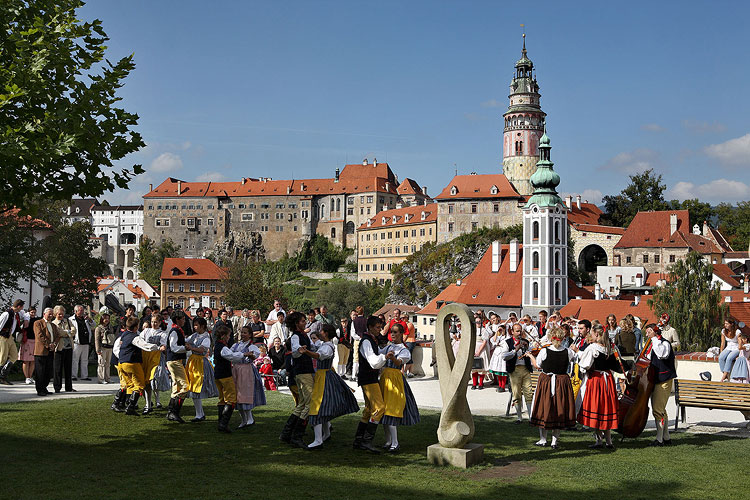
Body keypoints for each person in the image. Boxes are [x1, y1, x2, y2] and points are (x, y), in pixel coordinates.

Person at [304, 324, 359, 450]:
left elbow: (319, 356)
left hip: (324, 377)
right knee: (322, 406)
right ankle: (326, 434)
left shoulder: (327, 347)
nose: (320, 332)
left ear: (326, 333)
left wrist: (306, 352)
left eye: (322, 331)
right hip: (324, 376)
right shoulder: (325, 345)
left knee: (316, 407)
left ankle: (318, 440)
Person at [527, 327, 576, 449]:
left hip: (547, 381)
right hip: (562, 381)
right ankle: (554, 441)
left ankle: (543, 439)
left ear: (550, 337)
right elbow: (574, 358)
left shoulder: (544, 351)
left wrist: (530, 356)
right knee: (558, 408)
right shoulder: (568, 351)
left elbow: (538, 365)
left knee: (544, 408)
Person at [575, 324, 622, 449]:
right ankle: (608, 441)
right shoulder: (611, 347)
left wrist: (585, 371)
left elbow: (584, 365)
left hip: (596, 380)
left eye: (592, 334)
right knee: (605, 408)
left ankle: (599, 441)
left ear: (596, 334)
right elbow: (618, 363)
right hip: (608, 379)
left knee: (596, 408)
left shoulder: (592, 348)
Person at [379, 323, 420, 453]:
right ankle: (388, 440)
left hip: (395, 379)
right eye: (392, 331)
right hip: (385, 378)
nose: (393, 334)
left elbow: (400, 362)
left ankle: (395, 442)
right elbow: (378, 354)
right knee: (384, 410)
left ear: (401, 334)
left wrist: (393, 358)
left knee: (391, 410)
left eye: (395, 332)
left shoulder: (404, 350)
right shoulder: (388, 347)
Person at [113, 316, 166, 415]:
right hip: (131, 363)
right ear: (136, 327)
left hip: (121, 363)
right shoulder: (135, 337)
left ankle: (117, 403)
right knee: (140, 384)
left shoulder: (124, 335)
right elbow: (145, 346)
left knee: (128, 384)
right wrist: (158, 347)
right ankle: (131, 407)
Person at [279, 311, 315, 448]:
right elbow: (295, 351)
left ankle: (287, 433)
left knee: (302, 404)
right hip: (302, 371)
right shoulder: (295, 337)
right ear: (296, 324)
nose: (305, 322)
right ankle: (297, 435)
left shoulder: (304, 335)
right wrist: (299, 350)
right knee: (310, 402)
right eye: (302, 321)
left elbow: (313, 347)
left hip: (305, 370)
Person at [353, 316, 388, 453]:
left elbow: (376, 354)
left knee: (368, 410)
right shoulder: (367, 341)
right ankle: (366, 441)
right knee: (379, 408)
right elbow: (374, 361)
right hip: (369, 379)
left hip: (368, 378)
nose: (380, 330)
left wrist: (385, 353)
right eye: (378, 327)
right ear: (370, 327)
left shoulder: (371, 340)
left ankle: (359, 440)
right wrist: (385, 357)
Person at [644, 322, 677, 446]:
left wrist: (654, 339)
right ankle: (666, 437)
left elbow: (661, 354)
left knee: (658, 409)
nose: (647, 334)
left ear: (655, 331)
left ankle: (659, 439)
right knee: (661, 409)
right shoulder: (652, 343)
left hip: (664, 378)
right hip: (655, 378)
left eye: (649, 331)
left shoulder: (664, 343)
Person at [230, 325, 266, 429]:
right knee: (237, 394)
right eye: (242, 332)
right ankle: (244, 419)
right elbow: (231, 356)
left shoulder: (252, 346)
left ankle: (249, 418)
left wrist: (250, 355)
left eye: (245, 332)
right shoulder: (236, 345)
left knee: (245, 394)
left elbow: (254, 356)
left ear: (250, 335)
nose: (243, 334)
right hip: (236, 370)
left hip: (246, 371)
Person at [213, 324, 246, 433]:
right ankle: (224, 423)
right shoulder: (222, 347)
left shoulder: (217, 345)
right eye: (227, 335)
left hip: (218, 374)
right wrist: (244, 354)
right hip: (225, 375)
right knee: (231, 398)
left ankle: (220, 423)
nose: (229, 338)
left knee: (222, 399)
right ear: (223, 336)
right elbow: (231, 356)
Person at [186, 317, 218, 422]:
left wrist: (191, 348)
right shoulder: (194, 335)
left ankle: (199, 414)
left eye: (196, 325)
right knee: (194, 387)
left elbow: (203, 349)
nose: (195, 327)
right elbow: (186, 340)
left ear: (202, 326)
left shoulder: (206, 337)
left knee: (197, 387)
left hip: (200, 363)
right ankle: (199, 413)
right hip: (193, 362)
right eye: (194, 325)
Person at [503, 323, 534, 423]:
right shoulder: (507, 342)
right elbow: (504, 356)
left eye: (520, 330)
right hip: (514, 370)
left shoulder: (526, 341)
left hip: (525, 369)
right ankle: (519, 417)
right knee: (516, 394)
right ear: (512, 332)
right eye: (517, 331)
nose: (519, 333)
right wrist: (515, 349)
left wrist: (529, 349)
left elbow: (530, 353)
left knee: (528, 392)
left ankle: (531, 418)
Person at [165, 310, 190, 423]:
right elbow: (173, 347)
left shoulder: (177, 330)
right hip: (174, 360)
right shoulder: (175, 331)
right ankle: (175, 412)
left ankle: (171, 412)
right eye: (183, 319)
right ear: (177, 320)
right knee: (185, 386)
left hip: (175, 360)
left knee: (176, 386)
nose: (184, 320)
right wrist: (186, 348)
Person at [139, 315, 167, 414]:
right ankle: (147, 404)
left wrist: (162, 347)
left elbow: (163, 346)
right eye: (152, 322)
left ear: (160, 323)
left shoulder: (163, 334)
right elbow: (140, 340)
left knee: (154, 379)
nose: (153, 324)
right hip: (146, 358)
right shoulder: (146, 331)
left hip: (156, 358)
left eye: (155, 322)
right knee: (147, 381)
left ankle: (157, 400)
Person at [0, 299, 25, 384]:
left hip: (10, 337)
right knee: (2, 357)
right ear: (18, 307)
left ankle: (3, 375)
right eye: (21, 307)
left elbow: (25, 316)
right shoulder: (7, 314)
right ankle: (2, 377)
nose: (22, 309)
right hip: (3, 336)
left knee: (14, 356)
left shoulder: (16, 314)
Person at [32, 307, 57, 396]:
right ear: (44, 314)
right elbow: (39, 335)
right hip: (41, 351)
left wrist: (54, 344)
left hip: (50, 351)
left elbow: (57, 336)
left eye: (52, 314)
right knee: (40, 371)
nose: (50, 316)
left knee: (48, 371)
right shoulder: (38, 323)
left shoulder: (53, 325)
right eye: (49, 314)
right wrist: (48, 345)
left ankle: (44, 387)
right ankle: (40, 389)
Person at [51, 305, 75, 393]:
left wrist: (66, 333)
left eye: (62, 314)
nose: (61, 316)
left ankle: (69, 387)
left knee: (68, 368)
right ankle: (57, 387)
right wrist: (67, 332)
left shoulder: (68, 321)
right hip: (59, 348)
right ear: (55, 314)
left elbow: (73, 331)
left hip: (69, 347)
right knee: (58, 369)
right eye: (59, 314)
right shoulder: (54, 323)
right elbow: (58, 332)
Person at [488, 312, 509, 392]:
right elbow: (493, 340)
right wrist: (497, 333)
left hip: (503, 354)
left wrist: (503, 331)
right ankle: (500, 385)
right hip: (497, 354)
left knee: (503, 371)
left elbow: (507, 344)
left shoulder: (507, 337)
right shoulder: (498, 336)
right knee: (498, 372)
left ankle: (503, 386)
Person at [94, 312, 117, 384]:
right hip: (102, 348)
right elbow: (97, 339)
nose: (106, 320)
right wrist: (98, 349)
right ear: (102, 319)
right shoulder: (98, 328)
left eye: (108, 318)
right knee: (101, 363)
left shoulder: (110, 327)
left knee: (108, 364)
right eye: (105, 318)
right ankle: (101, 379)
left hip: (109, 347)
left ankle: (108, 378)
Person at [18, 306, 37, 384]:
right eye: (31, 312)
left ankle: (30, 376)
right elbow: (25, 327)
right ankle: (27, 377)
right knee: (26, 360)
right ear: (29, 312)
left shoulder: (37, 320)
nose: (33, 314)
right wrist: (26, 319)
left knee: (32, 361)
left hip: (34, 341)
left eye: (34, 312)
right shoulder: (26, 320)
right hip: (27, 340)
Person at [472, 313, 491, 390]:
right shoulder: (473, 330)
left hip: (481, 348)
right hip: (474, 347)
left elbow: (484, 342)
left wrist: (479, 351)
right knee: (473, 368)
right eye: (476, 322)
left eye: (479, 322)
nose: (478, 323)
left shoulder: (484, 330)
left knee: (481, 367)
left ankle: (480, 383)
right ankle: (474, 384)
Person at [719, 318, 742, 382]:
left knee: (729, 358)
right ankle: (725, 375)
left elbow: (740, 343)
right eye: (725, 323)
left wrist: (740, 353)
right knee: (721, 358)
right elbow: (722, 342)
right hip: (728, 347)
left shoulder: (737, 331)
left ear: (731, 324)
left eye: (727, 323)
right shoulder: (723, 331)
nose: (725, 325)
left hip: (736, 348)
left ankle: (723, 377)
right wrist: (721, 351)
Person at [349, 306, 366, 380]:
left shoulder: (354, 321)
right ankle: (361, 374)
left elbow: (353, 333)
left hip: (357, 341)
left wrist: (359, 338)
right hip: (365, 340)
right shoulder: (366, 320)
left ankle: (353, 375)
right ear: (363, 312)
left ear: (356, 312)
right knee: (364, 357)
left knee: (356, 358)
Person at [336, 314, 353, 379]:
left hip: (347, 346)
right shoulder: (338, 330)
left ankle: (343, 373)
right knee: (341, 359)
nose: (344, 323)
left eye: (345, 322)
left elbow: (350, 338)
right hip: (341, 345)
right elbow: (336, 339)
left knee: (345, 360)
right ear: (341, 323)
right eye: (343, 322)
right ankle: (338, 374)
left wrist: (350, 344)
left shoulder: (349, 330)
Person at [401, 311, 417, 378]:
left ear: (407, 317)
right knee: (408, 357)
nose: (402, 319)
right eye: (401, 318)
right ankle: (410, 372)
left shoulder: (409, 324)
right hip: (405, 342)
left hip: (410, 341)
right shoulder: (404, 324)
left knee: (408, 356)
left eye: (403, 318)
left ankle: (404, 372)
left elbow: (405, 332)